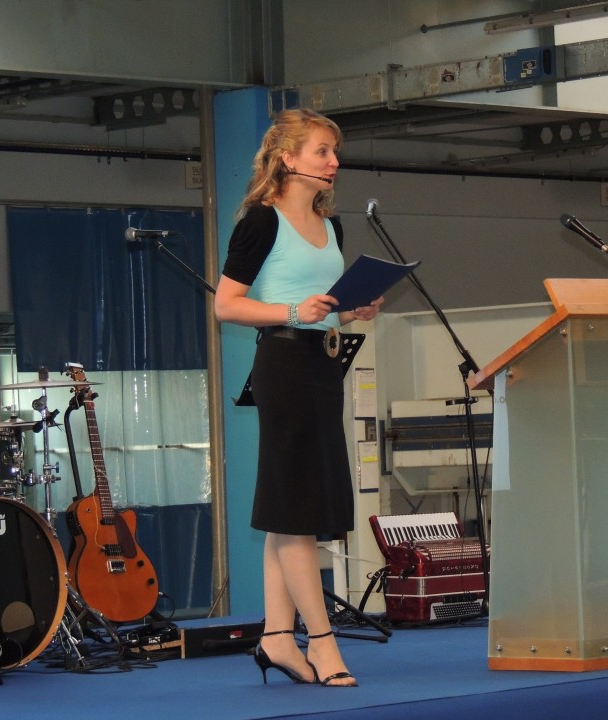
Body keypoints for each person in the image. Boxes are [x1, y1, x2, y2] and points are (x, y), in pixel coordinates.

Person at [214, 108, 383, 688]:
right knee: (297, 511)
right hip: (284, 364)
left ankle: (278, 637)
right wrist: (292, 310)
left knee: (290, 510)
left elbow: (320, 303)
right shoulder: (261, 222)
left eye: (334, 153)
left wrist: (351, 310)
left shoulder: (331, 226)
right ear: (288, 158)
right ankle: (324, 642)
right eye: (322, 151)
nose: (333, 162)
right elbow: (226, 304)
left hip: (324, 362)